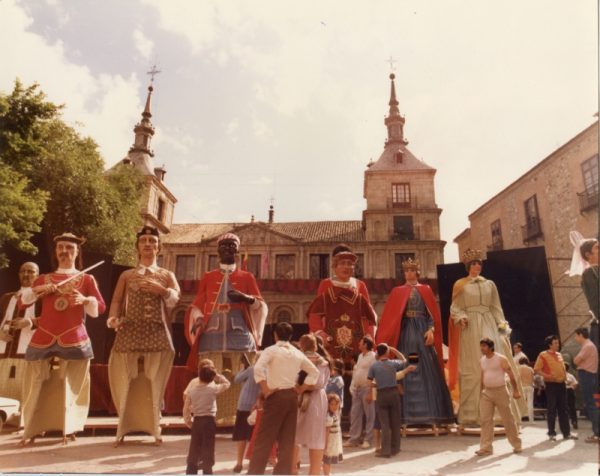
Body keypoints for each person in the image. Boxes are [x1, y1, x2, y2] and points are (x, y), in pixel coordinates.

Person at [20, 233, 106, 444]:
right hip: (44, 337)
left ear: (77, 252)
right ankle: (32, 428)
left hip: (74, 337)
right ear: (56, 251)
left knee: (72, 386)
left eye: (69, 247)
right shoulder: (42, 279)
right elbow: (24, 303)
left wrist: (85, 299)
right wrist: (38, 290)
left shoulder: (86, 278)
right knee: (36, 384)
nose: (65, 251)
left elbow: (99, 308)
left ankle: (70, 427)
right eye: (60, 247)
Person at [107, 225, 180, 446]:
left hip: (158, 333)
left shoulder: (167, 275)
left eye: (152, 241)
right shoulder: (127, 275)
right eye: (143, 241)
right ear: (137, 247)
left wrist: (163, 291)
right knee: (124, 376)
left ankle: (154, 426)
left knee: (155, 380)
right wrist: (113, 319)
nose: (148, 244)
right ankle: (124, 426)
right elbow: (117, 300)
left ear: (159, 248)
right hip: (129, 333)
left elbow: (175, 299)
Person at [447, 248, 525, 426]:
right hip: (471, 326)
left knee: (496, 361)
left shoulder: (490, 284)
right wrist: (461, 317)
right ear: (468, 266)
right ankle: (472, 415)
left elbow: (496, 308)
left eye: (479, 264)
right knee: (473, 367)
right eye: (473, 264)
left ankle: (501, 415)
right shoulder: (460, 284)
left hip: (489, 322)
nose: (477, 267)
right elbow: (455, 307)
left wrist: (503, 328)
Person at [376, 257, 454, 426]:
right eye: (406, 271)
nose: (409, 273)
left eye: (412, 270)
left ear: (417, 272)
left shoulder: (425, 290)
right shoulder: (397, 291)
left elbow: (431, 315)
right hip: (406, 334)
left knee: (425, 368)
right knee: (408, 366)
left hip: (422, 334)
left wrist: (431, 329)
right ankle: (406, 416)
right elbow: (393, 317)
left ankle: (430, 415)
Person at [185, 232, 267, 377]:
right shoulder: (208, 277)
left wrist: (246, 298)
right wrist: (198, 318)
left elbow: (260, 305)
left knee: (240, 374)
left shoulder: (247, 277)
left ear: (237, 250)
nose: (228, 248)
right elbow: (198, 303)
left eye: (232, 245)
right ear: (218, 250)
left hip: (239, 333)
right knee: (209, 374)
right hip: (212, 333)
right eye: (223, 246)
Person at [248, 322, 319, 475]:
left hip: (275, 395)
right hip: (292, 396)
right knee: (287, 440)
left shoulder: (271, 350)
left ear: (275, 335)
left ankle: (255, 473)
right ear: (291, 336)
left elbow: (258, 368)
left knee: (264, 439)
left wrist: (265, 389)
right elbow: (314, 372)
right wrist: (301, 388)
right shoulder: (297, 352)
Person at [308, 244, 377, 366]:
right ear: (334, 265)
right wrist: (320, 334)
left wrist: (369, 336)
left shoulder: (360, 285)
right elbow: (316, 312)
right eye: (342, 263)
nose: (346, 267)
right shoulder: (326, 284)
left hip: (356, 339)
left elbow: (369, 314)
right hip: (331, 338)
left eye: (349, 263)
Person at [367, 343, 416, 458]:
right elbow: (404, 360)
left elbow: (369, 383)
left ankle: (385, 451)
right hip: (393, 393)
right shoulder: (393, 364)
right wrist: (394, 350)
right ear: (387, 352)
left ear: (377, 353)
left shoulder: (374, 366)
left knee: (384, 424)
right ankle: (395, 448)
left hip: (382, 394)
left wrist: (378, 384)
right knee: (395, 422)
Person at [0, 262, 40, 402]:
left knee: (25, 396)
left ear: (38, 275)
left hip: (27, 355)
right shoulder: (7, 298)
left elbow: (51, 321)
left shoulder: (42, 298)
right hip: (2, 355)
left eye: (31, 271)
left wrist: (30, 322)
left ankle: (23, 423)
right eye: (23, 271)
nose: (26, 274)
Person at [475, 337, 522, 456]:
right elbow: (482, 376)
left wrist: (516, 390)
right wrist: (481, 391)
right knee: (486, 420)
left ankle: (517, 445)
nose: (482, 348)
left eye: (484, 346)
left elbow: (510, 374)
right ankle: (486, 448)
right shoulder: (482, 360)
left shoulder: (501, 358)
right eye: (481, 346)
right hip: (487, 393)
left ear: (490, 347)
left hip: (500, 391)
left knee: (508, 419)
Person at [183, 363, 231, 475]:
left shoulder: (192, 391)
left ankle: (191, 472)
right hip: (209, 422)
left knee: (194, 448)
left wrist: (188, 421)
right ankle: (207, 472)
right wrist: (218, 376)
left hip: (197, 420)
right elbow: (227, 383)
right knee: (208, 449)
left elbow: (186, 408)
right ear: (211, 377)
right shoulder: (212, 388)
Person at [294, 334, 331, 476]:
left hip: (301, 396)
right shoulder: (323, 362)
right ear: (316, 346)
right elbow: (319, 383)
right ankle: (314, 472)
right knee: (316, 436)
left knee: (295, 435)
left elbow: (295, 380)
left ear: (301, 345)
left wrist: (300, 388)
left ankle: (294, 470)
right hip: (316, 399)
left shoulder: (298, 360)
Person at [534, 335, 578, 441]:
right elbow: (536, 369)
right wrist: (547, 376)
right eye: (555, 343)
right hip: (551, 385)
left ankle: (566, 433)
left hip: (562, 385)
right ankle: (551, 433)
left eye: (558, 343)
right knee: (552, 409)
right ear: (550, 344)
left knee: (564, 409)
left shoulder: (559, 354)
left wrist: (565, 378)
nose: (557, 345)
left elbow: (562, 369)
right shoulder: (543, 355)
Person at [345, 336, 376, 449]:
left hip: (367, 388)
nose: (358, 344)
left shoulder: (373, 356)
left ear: (366, 344)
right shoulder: (359, 356)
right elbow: (357, 371)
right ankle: (354, 439)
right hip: (357, 389)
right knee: (355, 414)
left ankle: (368, 439)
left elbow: (375, 374)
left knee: (369, 415)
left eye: (361, 342)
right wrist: (352, 386)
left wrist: (371, 391)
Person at [231, 353, 261, 473]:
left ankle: (239, 462)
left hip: (244, 405)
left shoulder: (251, 369)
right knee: (254, 437)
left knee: (241, 436)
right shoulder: (267, 371)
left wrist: (242, 369)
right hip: (257, 406)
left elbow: (237, 379)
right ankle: (252, 463)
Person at [574, 327, 598, 443]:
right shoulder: (589, 345)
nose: (575, 338)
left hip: (587, 375)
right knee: (591, 404)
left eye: (576, 336)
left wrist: (577, 361)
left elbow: (576, 361)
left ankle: (597, 433)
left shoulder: (587, 346)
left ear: (580, 335)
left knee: (591, 405)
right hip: (589, 376)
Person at [322, 393, 343, 476]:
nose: (334, 406)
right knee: (326, 459)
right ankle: (326, 474)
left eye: (336, 404)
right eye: (332, 404)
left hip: (334, 442)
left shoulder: (335, 415)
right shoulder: (329, 417)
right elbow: (327, 431)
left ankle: (328, 473)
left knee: (329, 459)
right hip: (330, 442)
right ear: (328, 405)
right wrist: (325, 443)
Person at [518, 357, 535, 423]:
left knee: (521, 404)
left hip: (522, 386)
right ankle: (531, 420)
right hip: (530, 386)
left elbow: (518, 378)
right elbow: (532, 378)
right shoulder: (530, 369)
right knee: (530, 404)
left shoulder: (519, 368)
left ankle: (519, 419)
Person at [564, 363, 578, 430]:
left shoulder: (560, 375)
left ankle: (565, 424)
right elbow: (575, 384)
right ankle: (574, 421)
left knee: (563, 408)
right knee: (572, 407)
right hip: (570, 391)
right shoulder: (571, 375)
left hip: (563, 391)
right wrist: (572, 388)